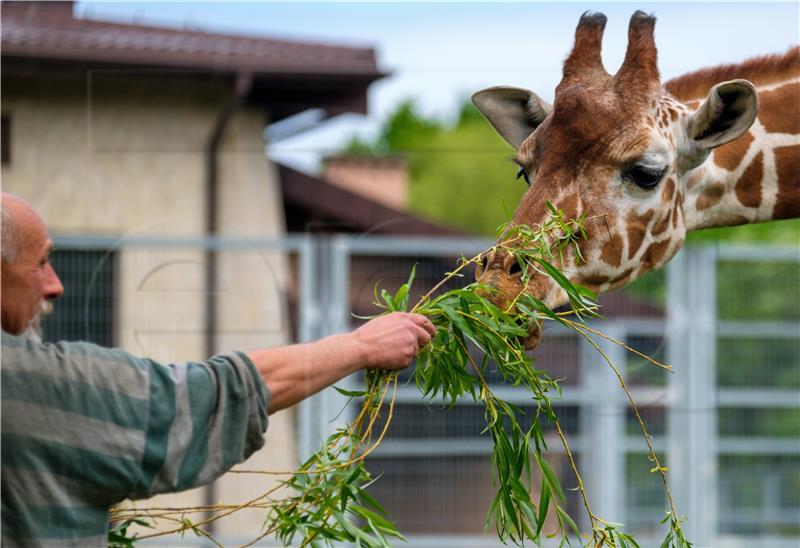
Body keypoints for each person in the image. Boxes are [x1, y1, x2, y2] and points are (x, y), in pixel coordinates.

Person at [0, 192, 436, 547]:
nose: (55, 284)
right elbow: (208, 397)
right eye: (40, 262)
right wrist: (360, 345)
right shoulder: (29, 382)